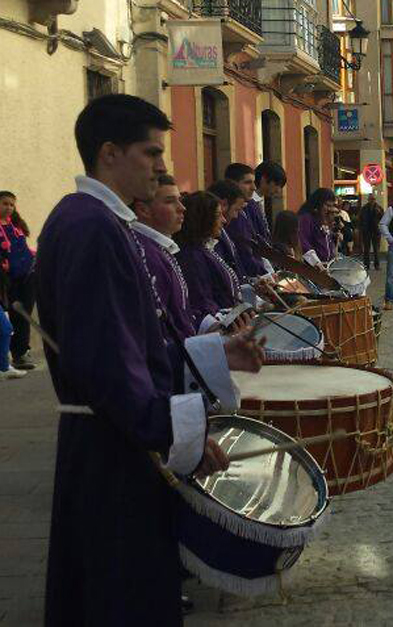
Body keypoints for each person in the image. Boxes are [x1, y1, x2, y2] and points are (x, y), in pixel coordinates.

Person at [39, 93, 262, 625]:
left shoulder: (92, 220)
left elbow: (128, 342)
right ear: (109, 154)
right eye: (150, 152)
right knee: (123, 596)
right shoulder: (92, 227)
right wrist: (178, 435)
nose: (162, 166)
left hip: (110, 439)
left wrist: (216, 350)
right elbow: (108, 367)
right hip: (114, 451)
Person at [131, 174, 195, 340]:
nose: (182, 208)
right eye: (169, 201)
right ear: (144, 210)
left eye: (179, 200)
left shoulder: (159, 248)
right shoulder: (146, 253)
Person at [174, 191, 241, 327]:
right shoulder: (192, 256)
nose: (224, 220)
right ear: (203, 220)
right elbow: (202, 302)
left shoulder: (203, 248)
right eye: (218, 215)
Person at [0, 190, 36, 370]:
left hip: (28, 276)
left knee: (25, 316)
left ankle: (21, 354)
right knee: (12, 317)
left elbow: (23, 248)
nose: (9, 207)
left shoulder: (16, 226)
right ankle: (10, 355)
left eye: (11, 204)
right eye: (5, 203)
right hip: (8, 280)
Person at [223, 162, 279, 278]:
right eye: (248, 182)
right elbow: (243, 251)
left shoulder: (248, 207)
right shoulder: (231, 216)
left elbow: (258, 242)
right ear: (232, 184)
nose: (254, 187)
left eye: (253, 182)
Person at [207, 179, 249, 282]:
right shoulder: (211, 236)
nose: (236, 216)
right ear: (223, 204)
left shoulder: (224, 230)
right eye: (236, 210)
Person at [297, 187, 338, 264]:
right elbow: (303, 241)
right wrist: (316, 262)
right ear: (318, 203)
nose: (329, 209)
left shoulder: (321, 218)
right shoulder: (305, 218)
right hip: (312, 268)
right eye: (327, 205)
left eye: (331, 206)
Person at [359, 194, 383, 270]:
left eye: (373, 199)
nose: (372, 200)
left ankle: (377, 265)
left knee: (376, 249)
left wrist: (379, 213)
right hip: (366, 231)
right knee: (366, 249)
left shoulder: (379, 208)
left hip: (376, 230)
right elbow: (360, 219)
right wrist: (361, 228)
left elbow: (384, 218)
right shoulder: (364, 208)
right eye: (371, 199)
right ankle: (366, 265)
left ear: (375, 199)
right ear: (368, 200)